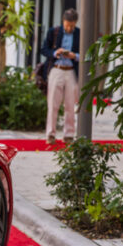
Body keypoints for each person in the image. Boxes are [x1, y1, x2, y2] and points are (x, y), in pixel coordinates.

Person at [41, 8, 81, 145]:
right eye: (67, 24)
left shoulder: (79, 34)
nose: (69, 27)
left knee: (70, 104)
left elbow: (85, 54)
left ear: (75, 23)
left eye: (72, 25)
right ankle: (50, 134)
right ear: (63, 21)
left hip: (71, 70)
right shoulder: (54, 32)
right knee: (53, 103)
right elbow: (44, 49)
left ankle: (69, 134)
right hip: (56, 68)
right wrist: (55, 52)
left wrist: (74, 56)